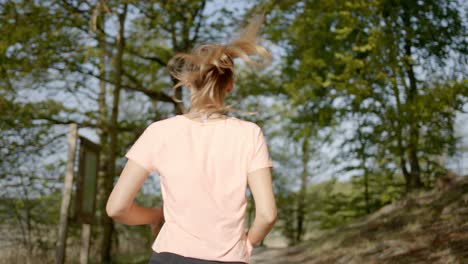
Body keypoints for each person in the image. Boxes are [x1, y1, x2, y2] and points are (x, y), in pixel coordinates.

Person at [106, 14, 277, 264]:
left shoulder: (159, 132)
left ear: (187, 83)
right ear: (230, 84)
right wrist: (247, 244)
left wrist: (156, 215)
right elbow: (267, 214)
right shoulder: (249, 133)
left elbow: (116, 208)